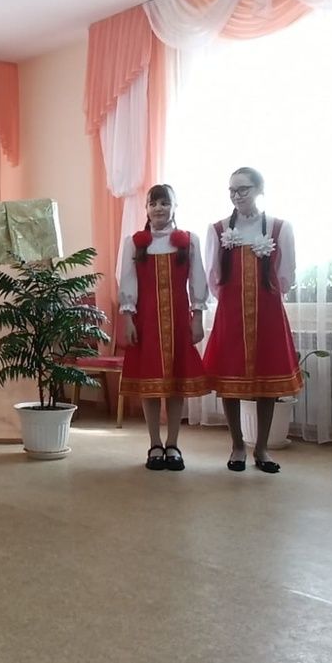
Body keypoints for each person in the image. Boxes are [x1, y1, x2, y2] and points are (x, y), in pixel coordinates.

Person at [202, 167, 302, 474]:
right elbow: (213, 276)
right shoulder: (218, 229)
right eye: (232, 190)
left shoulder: (279, 228)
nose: (236, 196)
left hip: (268, 313)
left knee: (267, 382)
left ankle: (261, 448)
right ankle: (237, 445)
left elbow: (285, 277)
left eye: (243, 189)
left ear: (259, 190)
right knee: (229, 381)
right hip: (231, 313)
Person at [118, 184, 210, 471]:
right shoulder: (135, 243)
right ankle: (154, 444)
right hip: (146, 320)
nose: (158, 208)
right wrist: (128, 318)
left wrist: (197, 317)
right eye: (153, 203)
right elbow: (128, 281)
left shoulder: (188, 241)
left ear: (174, 207)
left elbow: (198, 281)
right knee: (150, 383)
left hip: (179, 319)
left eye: (164, 203)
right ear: (146, 208)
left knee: (175, 383)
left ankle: (173, 444)